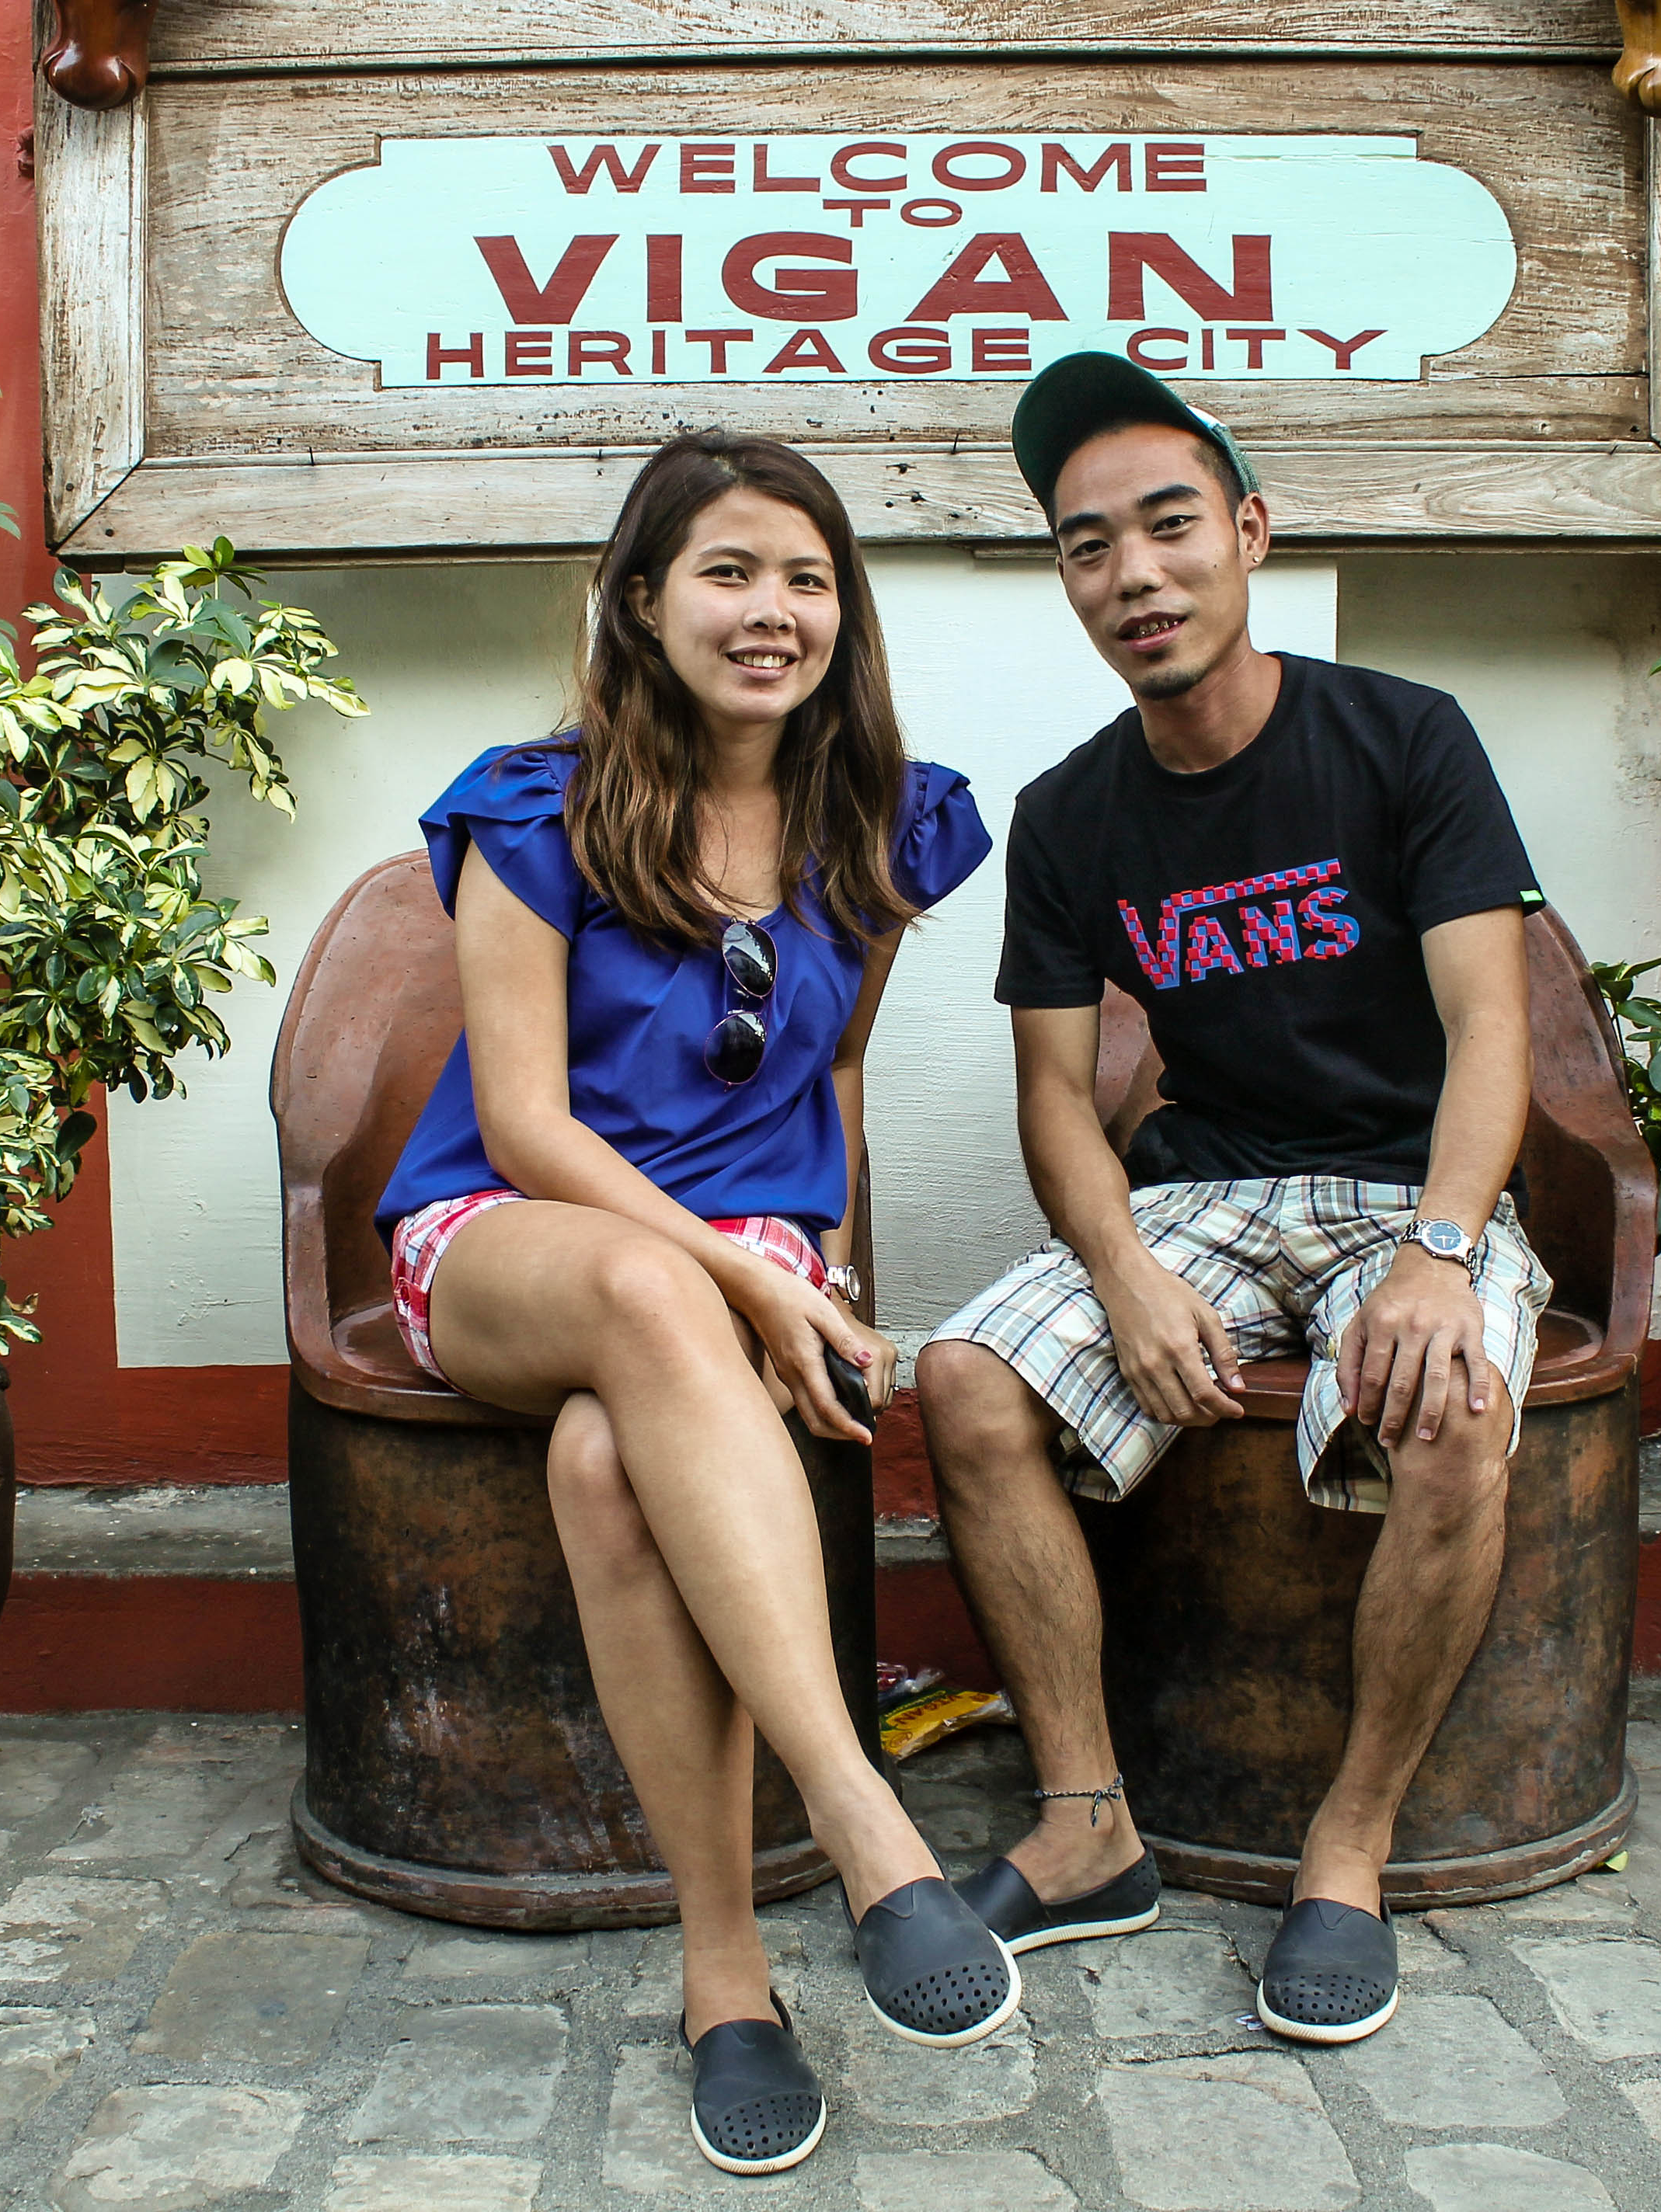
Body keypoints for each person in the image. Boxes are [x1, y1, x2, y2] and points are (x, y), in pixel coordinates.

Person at [373, 431, 1011, 2175]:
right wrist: (737, 1273)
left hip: (744, 1245)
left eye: (806, 577)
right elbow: (525, 1122)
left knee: (606, 1467)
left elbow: (835, 1073)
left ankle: (723, 1974)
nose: (770, 609)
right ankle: (865, 1820)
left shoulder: (882, 821)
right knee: (650, 1292)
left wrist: (825, 1268)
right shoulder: (534, 809)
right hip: (513, 1233)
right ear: (643, 601)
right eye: (728, 572)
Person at [915, 356, 1552, 2047]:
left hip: (1406, 1190)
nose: (1134, 574)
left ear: (1249, 534)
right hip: (1202, 1192)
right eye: (1088, 547)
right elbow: (1054, 1095)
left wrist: (1441, 1251)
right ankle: (1085, 1821)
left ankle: (1347, 1845)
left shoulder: (1402, 737)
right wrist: (1120, 1269)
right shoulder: (1068, 814)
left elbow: (1494, 1025)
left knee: (1450, 1406)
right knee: (963, 1381)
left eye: (1169, 525)